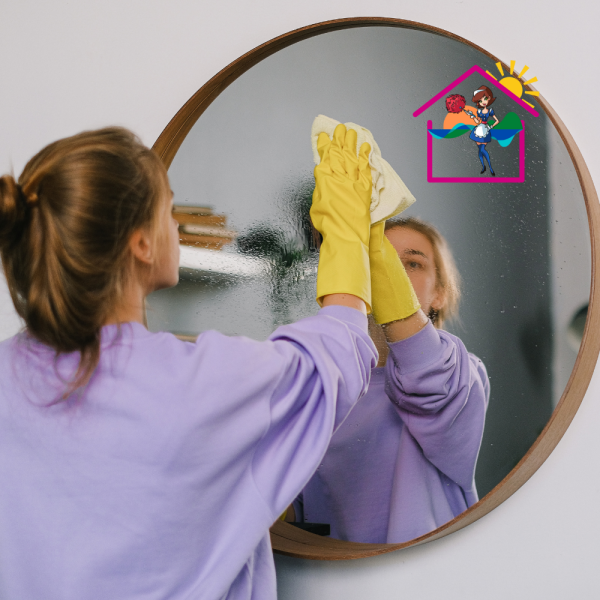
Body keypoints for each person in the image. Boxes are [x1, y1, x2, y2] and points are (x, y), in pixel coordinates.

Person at [0, 126, 378, 599]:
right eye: (168, 209)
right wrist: (347, 233)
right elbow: (336, 357)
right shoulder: (206, 384)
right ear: (141, 243)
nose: (176, 226)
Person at [291, 216, 490, 545]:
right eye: (377, 260)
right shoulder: (322, 382)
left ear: (439, 294)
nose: (393, 274)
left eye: (412, 264)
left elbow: (427, 379)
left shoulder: (462, 374)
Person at [467, 85, 500, 176]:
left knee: (482, 149)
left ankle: (490, 167)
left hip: (486, 130)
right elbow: (478, 121)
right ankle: (483, 166)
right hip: (479, 129)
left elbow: (497, 121)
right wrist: (473, 117)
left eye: (485, 98)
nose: (483, 102)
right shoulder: (479, 112)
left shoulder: (490, 111)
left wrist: (491, 126)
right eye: (480, 101)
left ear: (489, 98)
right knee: (479, 150)